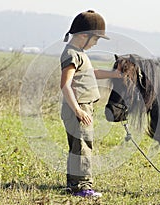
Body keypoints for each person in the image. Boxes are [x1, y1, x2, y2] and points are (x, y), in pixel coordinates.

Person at [60, 10, 122, 197]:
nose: (96, 44)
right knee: (83, 146)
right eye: (95, 39)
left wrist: (114, 75)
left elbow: (91, 73)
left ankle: (73, 183)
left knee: (78, 146)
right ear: (84, 36)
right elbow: (65, 85)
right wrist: (78, 110)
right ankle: (83, 187)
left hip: (82, 106)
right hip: (78, 107)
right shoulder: (71, 54)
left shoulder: (78, 53)